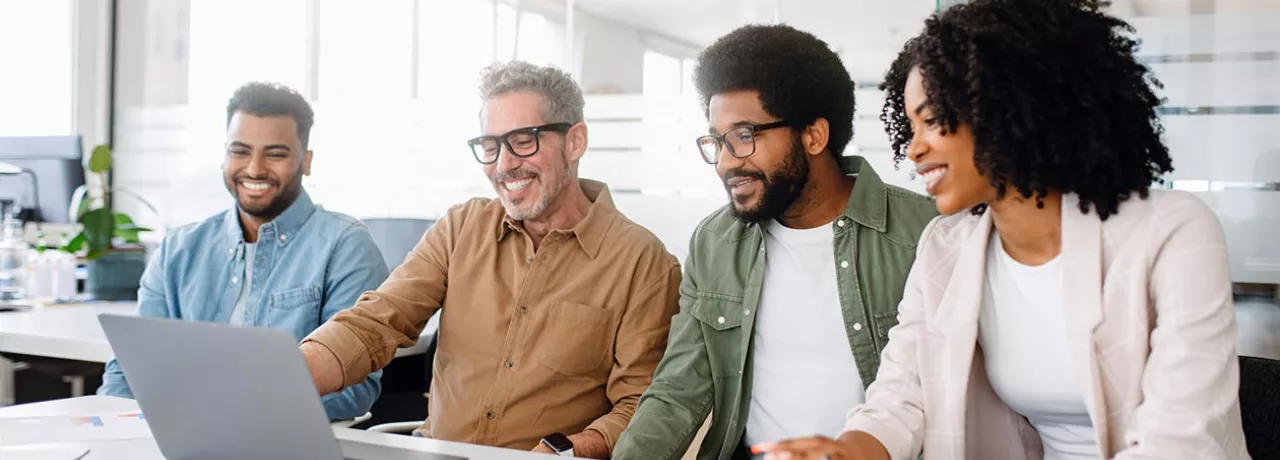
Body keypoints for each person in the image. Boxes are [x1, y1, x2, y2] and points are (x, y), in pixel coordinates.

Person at [758, 1, 1251, 459]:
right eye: (910, 127)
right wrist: (850, 450)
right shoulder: (945, 246)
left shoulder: (1172, 231)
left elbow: (1180, 442)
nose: (914, 148)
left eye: (932, 121)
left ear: (1006, 109)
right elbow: (903, 393)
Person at [298, 61, 681, 459]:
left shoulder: (643, 262)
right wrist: (287, 375)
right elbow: (375, 324)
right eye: (490, 146)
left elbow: (640, 406)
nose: (502, 165)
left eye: (522, 141)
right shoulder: (460, 228)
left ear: (575, 141)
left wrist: (563, 451)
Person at [614, 25, 937, 460]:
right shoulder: (715, 242)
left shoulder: (924, 233)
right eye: (717, 141)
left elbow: (933, 397)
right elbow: (677, 390)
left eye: (745, 137)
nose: (726, 162)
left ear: (814, 136)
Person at [98, 82, 389, 421]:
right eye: (240, 151)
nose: (254, 169)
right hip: (180, 440)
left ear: (305, 162)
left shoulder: (345, 246)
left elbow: (354, 389)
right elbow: (132, 367)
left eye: (275, 154)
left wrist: (228, 411)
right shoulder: (178, 250)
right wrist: (109, 428)